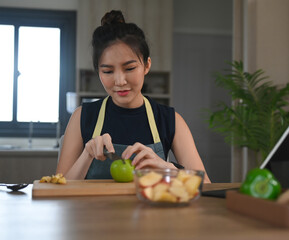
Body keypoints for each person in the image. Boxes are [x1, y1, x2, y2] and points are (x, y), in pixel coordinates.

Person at [56, 10, 211, 183]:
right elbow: (59, 189)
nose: (120, 81)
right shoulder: (81, 117)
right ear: (98, 72)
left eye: (129, 68)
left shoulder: (170, 120)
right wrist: (87, 154)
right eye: (107, 71)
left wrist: (168, 168)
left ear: (146, 65)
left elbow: (205, 186)